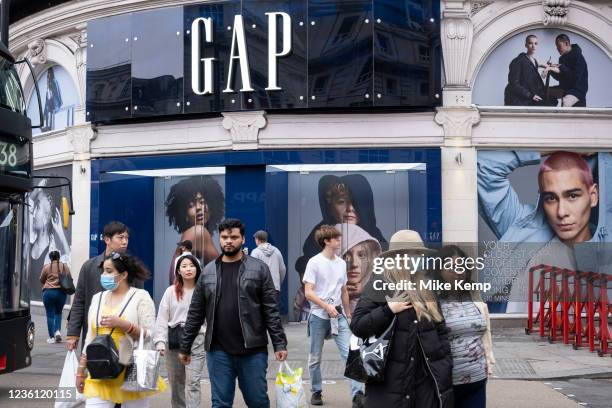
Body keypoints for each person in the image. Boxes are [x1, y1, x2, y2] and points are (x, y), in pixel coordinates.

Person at [478, 150, 610, 312]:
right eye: (551, 198)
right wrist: (555, 147)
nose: (561, 212)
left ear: (593, 196)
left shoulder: (605, 244)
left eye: (572, 196)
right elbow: (484, 166)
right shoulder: (526, 228)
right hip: (514, 334)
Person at [179, 218, 288, 408]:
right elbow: (195, 312)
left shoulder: (259, 268)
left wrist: (279, 343)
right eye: (224, 237)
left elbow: (270, 309)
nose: (228, 241)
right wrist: (185, 346)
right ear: (219, 239)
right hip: (218, 351)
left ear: (243, 239)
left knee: (258, 402)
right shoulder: (208, 271)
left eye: (234, 237)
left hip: (253, 350)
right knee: (220, 403)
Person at [350, 230, 453, 408]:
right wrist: (389, 309)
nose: (419, 258)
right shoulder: (381, 284)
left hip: (425, 384)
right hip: (390, 383)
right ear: (399, 256)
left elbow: (441, 329)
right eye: (414, 254)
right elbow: (358, 325)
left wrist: (445, 363)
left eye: (420, 254)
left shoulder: (427, 285)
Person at [75, 252, 166, 407]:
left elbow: (150, 334)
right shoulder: (97, 298)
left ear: (123, 275)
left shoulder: (141, 296)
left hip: (132, 369)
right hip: (100, 368)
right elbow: (90, 337)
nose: (104, 275)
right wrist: (80, 371)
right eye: (103, 271)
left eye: (109, 271)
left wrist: (125, 325)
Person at [294, 174, 387, 320]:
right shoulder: (317, 239)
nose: (350, 209)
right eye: (342, 202)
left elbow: (388, 273)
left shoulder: (376, 239)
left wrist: (366, 287)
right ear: (329, 206)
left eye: (356, 203)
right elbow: (309, 275)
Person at [303, 225, 365, 407]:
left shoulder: (340, 263)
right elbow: (308, 292)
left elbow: (344, 290)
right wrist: (325, 306)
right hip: (319, 316)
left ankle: (357, 395)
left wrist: (348, 314)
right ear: (326, 241)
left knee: (351, 354)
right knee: (315, 357)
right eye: (336, 239)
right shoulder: (314, 262)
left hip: (338, 316)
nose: (339, 241)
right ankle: (316, 391)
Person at [431, 245, 495, 408]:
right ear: (439, 270)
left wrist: (488, 359)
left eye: (462, 267)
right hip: (446, 383)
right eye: (451, 267)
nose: (458, 272)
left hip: (477, 379)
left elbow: (483, 329)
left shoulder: (472, 292)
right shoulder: (432, 297)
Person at [66, 221, 139, 351]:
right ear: (107, 239)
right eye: (120, 237)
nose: (125, 242)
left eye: (127, 238)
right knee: (93, 368)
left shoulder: (132, 269)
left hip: (123, 338)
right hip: (94, 336)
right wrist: (73, 333)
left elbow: (139, 304)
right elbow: (79, 302)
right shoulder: (89, 267)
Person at [154, 254, 206, 408]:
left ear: (197, 268)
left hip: (197, 340)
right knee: (176, 384)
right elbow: (162, 317)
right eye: (184, 266)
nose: (188, 269)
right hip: (175, 340)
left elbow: (211, 318)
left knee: (193, 382)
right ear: (178, 271)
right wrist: (160, 342)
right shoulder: (170, 292)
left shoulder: (204, 291)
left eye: (191, 265)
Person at [165, 176, 224, 282]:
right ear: (184, 215)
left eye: (202, 202)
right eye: (191, 205)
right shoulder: (198, 232)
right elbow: (221, 274)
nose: (198, 208)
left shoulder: (191, 234)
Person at [27, 177, 71, 301]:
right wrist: (38, 190)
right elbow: (28, 204)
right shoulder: (30, 237)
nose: (34, 213)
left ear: (46, 218)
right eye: (35, 207)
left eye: (38, 208)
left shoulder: (53, 253)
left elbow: (69, 268)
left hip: (47, 308)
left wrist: (61, 234)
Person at [335, 223, 381, 313]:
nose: (354, 264)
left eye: (362, 255)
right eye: (346, 256)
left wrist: (363, 294)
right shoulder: (315, 293)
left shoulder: (381, 294)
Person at [504, 35, 552, 106]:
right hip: (521, 100)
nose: (533, 46)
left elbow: (531, 77)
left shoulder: (534, 61)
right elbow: (513, 83)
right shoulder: (517, 61)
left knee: (553, 102)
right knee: (549, 106)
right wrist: (530, 95)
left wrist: (546, 68)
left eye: (536, 43)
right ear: (526, 45)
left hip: (531, 96)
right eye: (530, 43)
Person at [543, 34, 589, 107]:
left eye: (559, 45)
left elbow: (575, 78)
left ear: (567, 43)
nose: (557, 48)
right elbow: (560, 77)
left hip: (577, 90)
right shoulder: (562, 58)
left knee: (566, 101)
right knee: (544, 91)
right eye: (556, 46)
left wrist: (561, 67)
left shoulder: (578, 57)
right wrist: (551, 70)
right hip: (564, 88)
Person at [40, 250, 72, 343]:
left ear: (50, 258)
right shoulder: (65, 266)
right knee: (58, 313)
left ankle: (51, 337)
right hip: (61, 293)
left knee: (50, 315)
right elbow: (69, 278)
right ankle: (57, 331)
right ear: (59, 257)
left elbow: (41, 279)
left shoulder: (47, 267)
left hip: (48, 293)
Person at [250, 230, 286, 301]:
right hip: (275, 288)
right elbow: (283, 269)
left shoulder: (255, 252)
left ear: (257, 239)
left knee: (260, 311)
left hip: (260, 287)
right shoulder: (277, 251)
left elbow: (252, 271)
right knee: (273, 311)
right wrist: (278, 282)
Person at [42, 67, 62, 132]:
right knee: (47, 108)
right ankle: (46, 125)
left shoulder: (54, 81)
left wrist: (59, 100)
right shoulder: (49, 85)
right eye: (47, 75)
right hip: (50, 104)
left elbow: (57, 93)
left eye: (49, 74)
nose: (48, 76)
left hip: (56, 103)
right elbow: (47, 99)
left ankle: (46, 125)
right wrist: (48, 90)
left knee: (47, 108)